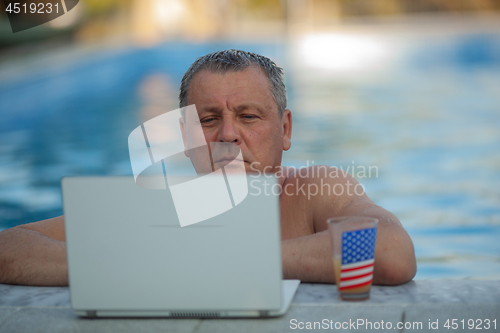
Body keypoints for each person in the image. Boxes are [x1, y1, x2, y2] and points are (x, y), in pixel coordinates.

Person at [0, 50, 416, 286]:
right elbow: (10, 247)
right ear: (185, 136)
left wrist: (216, 256)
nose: (228, 136)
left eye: (249, 117)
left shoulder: (312, 191)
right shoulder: (166, 206)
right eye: (209, 119)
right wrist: (124, 263)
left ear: (285, 131)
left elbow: (391, 252)